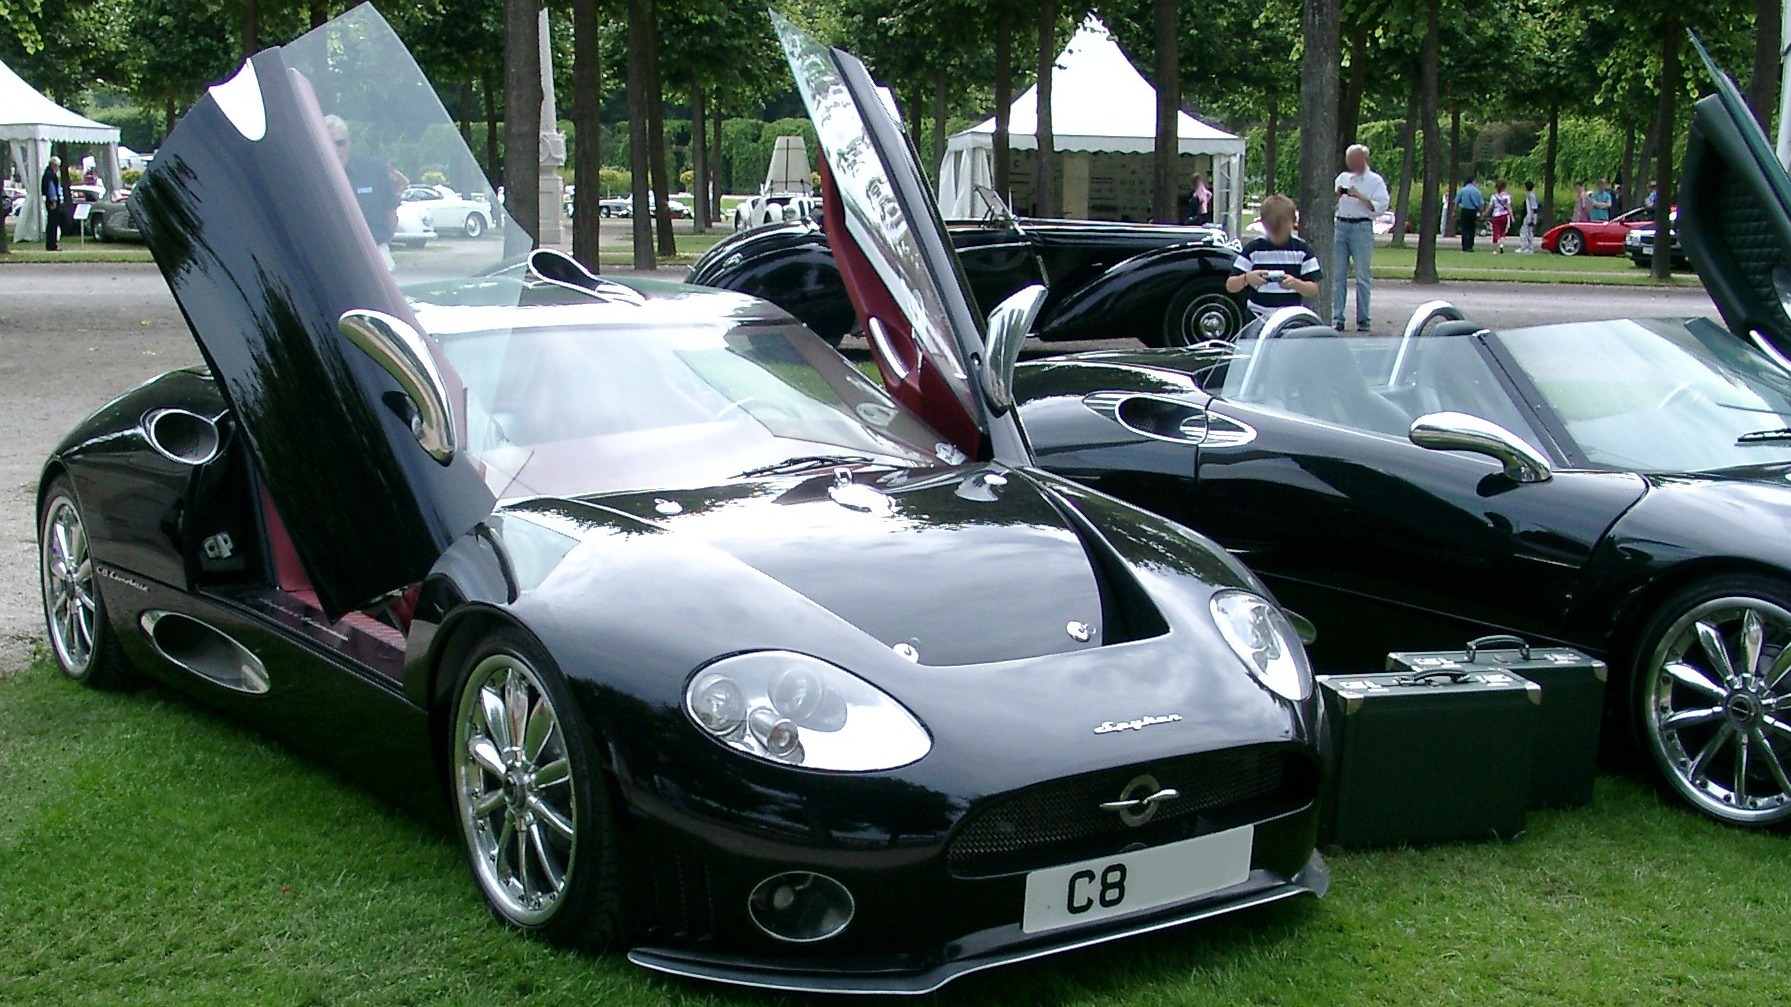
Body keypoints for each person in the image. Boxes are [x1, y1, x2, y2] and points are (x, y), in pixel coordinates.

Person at [1227, 194, 1321, 322]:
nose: (1278, 235)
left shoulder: (1302, 250)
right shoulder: (1254, 248)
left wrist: (1296, 284)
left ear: (1293, 224)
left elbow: (1313, 290)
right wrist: (1247, 278)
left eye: (1283, 230)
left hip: (1289, 318)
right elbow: (1230, 285)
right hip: (1257, 316)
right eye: (1272, 230)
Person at [324, 114, 399, 271]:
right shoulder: (310, 173)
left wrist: (383, 243)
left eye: (340, 143)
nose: (335, 150)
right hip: (331, 258)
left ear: (349, 142)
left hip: (376, 253)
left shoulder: (374, 168)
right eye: (327, 143)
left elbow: (390, 211)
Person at [1331, 142, 1389, 331]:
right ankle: (1337, 317)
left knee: (1362, 276)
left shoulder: (1375, 181)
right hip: (1341, 225)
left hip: (1361, 227)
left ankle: (1363, 319)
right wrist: (1337, 195)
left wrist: (1360, 196)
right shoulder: (1342, 177)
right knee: (1338, 275)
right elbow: (1331, 203)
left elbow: (1380, 207)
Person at [1454, 175, 1484, 252]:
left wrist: (1454, 212)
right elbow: (1481, 203)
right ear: (1473, 181)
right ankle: (1470, 246)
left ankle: (1464, 246)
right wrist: (1482, 213)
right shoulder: (1477, 191)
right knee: (1471, 229)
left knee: (1464, 228)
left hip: (1464, 210)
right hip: (1473, 211)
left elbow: (1456, 202)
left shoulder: (1462, 190)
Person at [40, 155, 63, 251]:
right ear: (53, 165)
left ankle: (51, 243)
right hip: (52, 201)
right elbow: (51, 189)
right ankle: (52, 244)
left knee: (51, 222)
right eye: (57, 166)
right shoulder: (50, 175)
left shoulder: (47, 174)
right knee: (52, 223)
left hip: (49, 200)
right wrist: (53, 201)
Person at [1487, 179, 1513, 254]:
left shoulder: (1493, 196)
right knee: (1502, 232)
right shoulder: (1507, 196)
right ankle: (1501, 245)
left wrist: (1485, 213)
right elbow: (1509, 207)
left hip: (1496, 215)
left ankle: (1495, 250)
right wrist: (1512, 217)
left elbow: (1490, 206)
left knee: (1495, 232)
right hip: (1504, 215)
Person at [1517, 180, 1540, 253]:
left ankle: (1525, 247)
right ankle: (1529, 247)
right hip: (1529, 216)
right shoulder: (1530, 195)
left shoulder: (1531, 196)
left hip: (1529, 216)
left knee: (1524, 231)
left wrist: (1532, 218)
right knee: (1529, 232)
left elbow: (1533, 207)